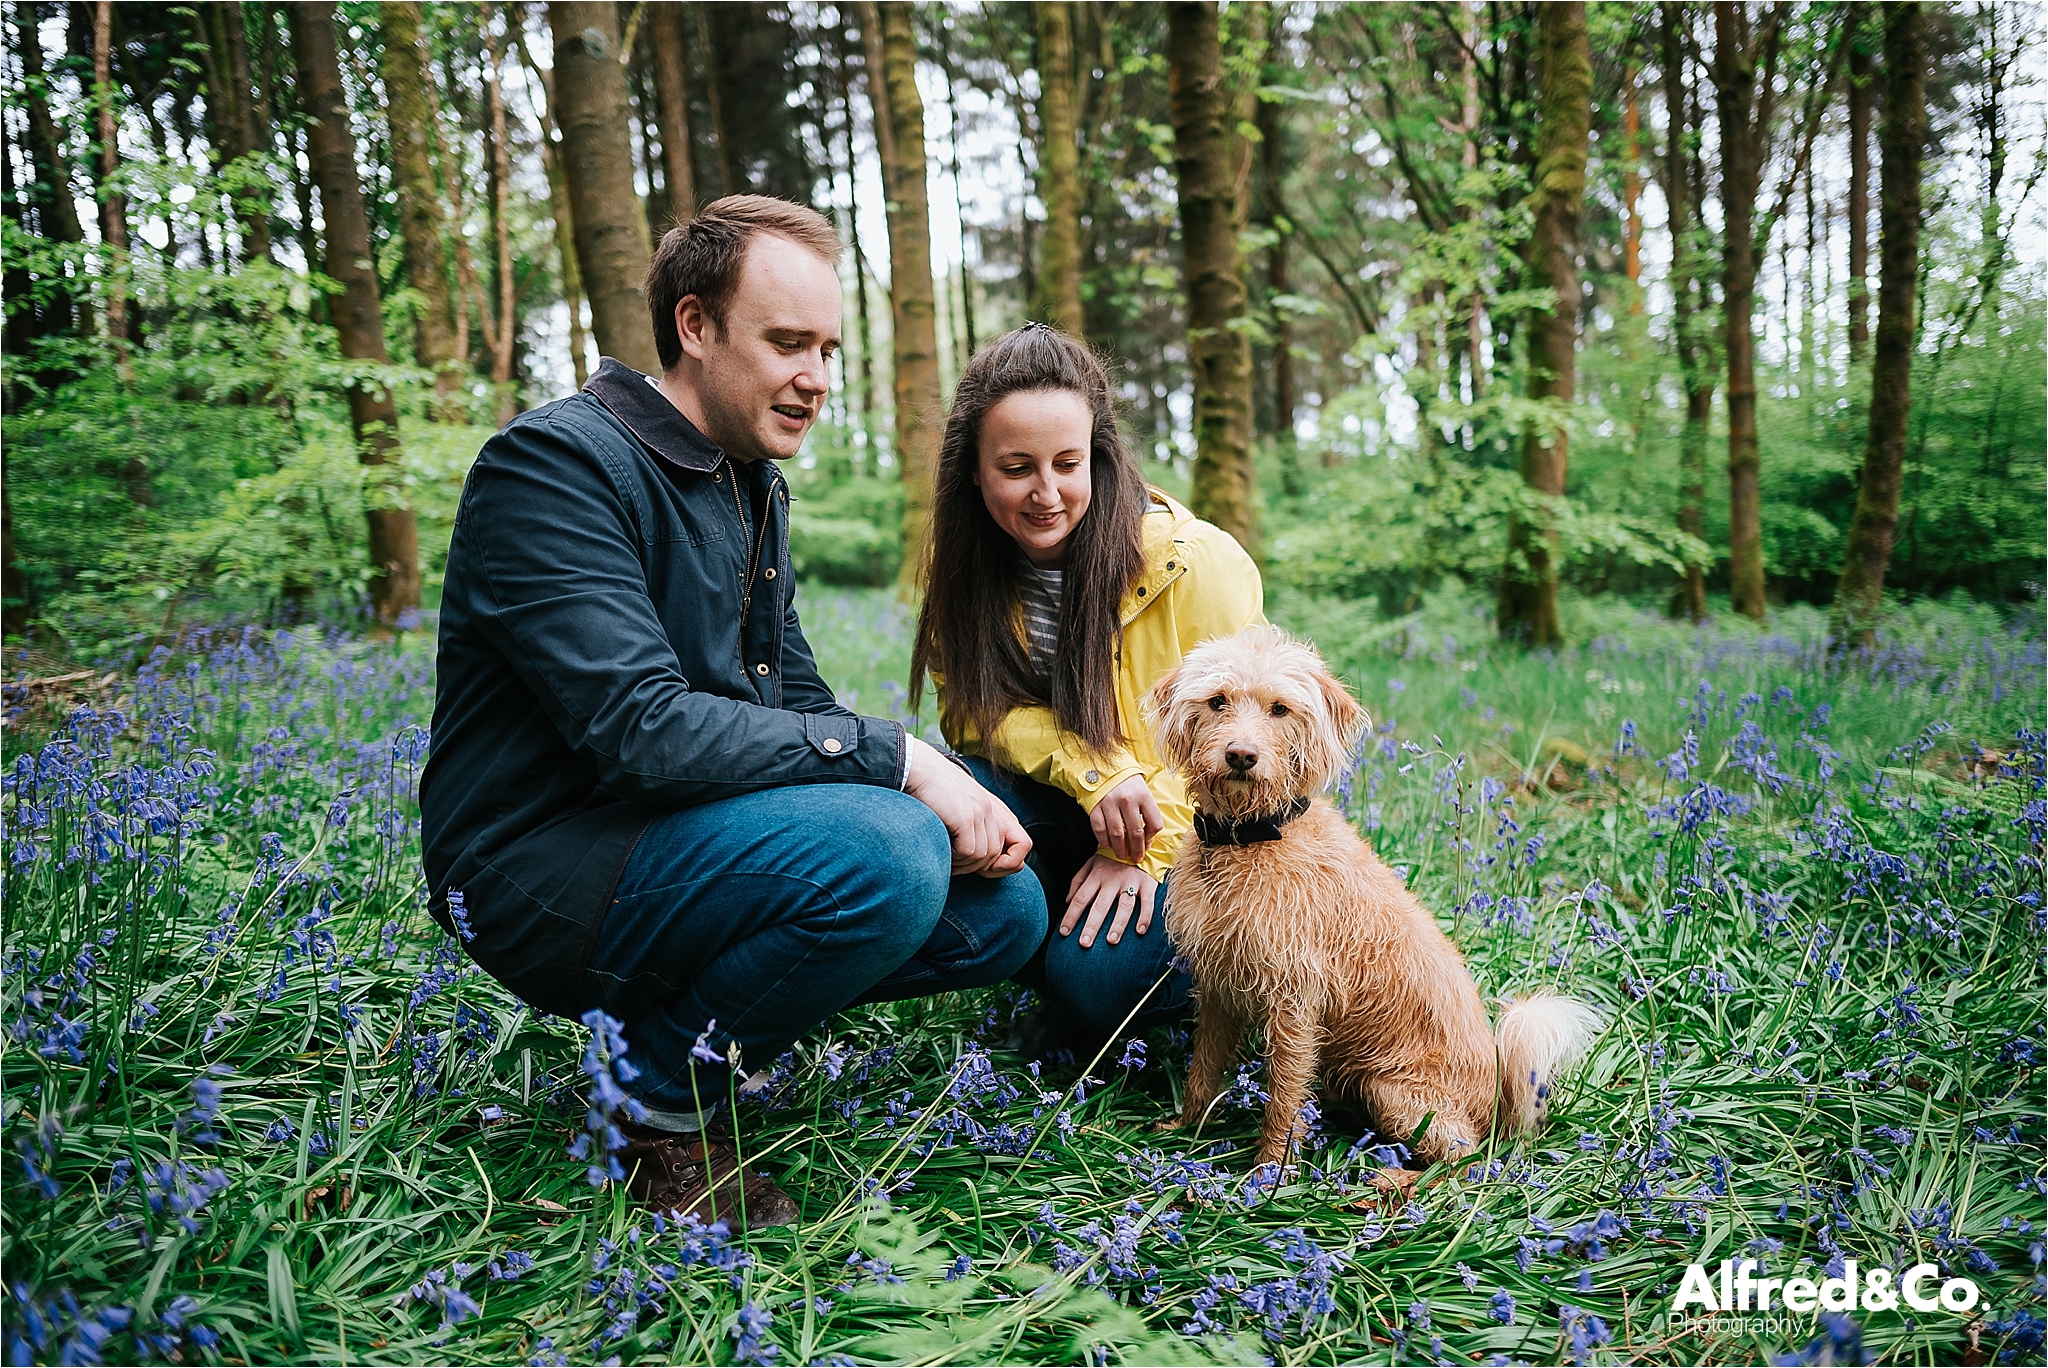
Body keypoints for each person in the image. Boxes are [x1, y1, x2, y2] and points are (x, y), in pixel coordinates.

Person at [420, 196, 1045, 1230]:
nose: (818, 378)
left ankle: (685, 1034)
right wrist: (904, 763)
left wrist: (921, 781)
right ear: (695, 325)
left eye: (829, 349)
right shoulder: (554, 467)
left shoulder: (749, 482)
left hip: (676, 835)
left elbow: (791, 695)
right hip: (542, 866)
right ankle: (652, 1107)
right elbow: (639, 729)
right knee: (888, 853)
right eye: (788, 343)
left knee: (1000, 911)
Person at [909, 324, 1265, 1058]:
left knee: (1096, 980)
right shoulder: (966, 565)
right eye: (1016, 467)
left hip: (1201, 834)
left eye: (1068, 463)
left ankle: (1180, 985)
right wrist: (1095, 772)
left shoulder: (1194, 564)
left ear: (1098, 458)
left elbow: (1249, 744)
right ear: (974, 470)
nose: (1047, 494)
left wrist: (1141, 848)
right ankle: (1058, 949)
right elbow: (976, 719)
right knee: (935, 809)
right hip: (1076, 806)